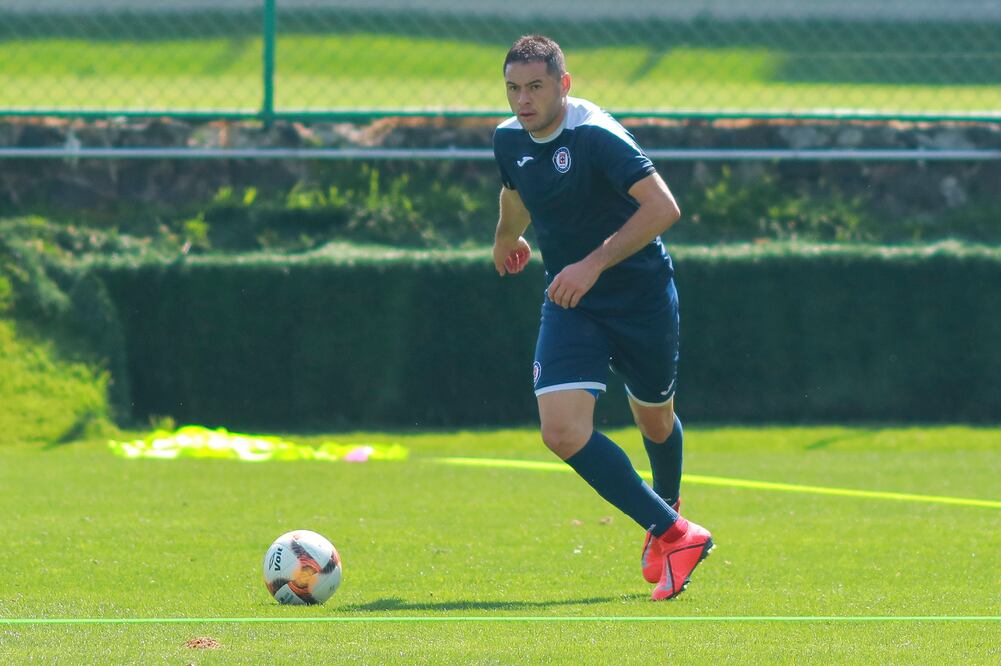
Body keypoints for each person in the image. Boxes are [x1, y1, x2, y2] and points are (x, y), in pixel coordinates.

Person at [491, 35, 713, 601]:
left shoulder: (596, 135)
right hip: (572, 301)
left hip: (640, 298)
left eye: (536, 87)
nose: (523, 100)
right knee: (561, 431)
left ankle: (667, 509)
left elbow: (664, 207)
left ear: (564, 84)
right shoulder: (508, 137)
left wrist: (591, 264)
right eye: (514, 88)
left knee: (655, 420)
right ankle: (675, 533)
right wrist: (506, 237)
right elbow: (515, 189)